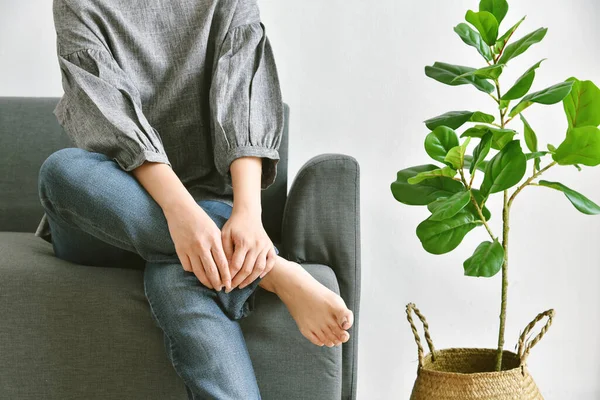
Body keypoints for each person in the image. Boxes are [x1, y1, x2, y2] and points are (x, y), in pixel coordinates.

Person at [34, 0, 354, 398]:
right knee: (61, 170)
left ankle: (217, 249)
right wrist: (181, 214)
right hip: (109, 210)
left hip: (210, 210)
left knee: (177, 277)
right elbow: (106, 113)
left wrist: (249, 214)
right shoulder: (78, 4)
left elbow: (245, 101)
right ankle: (271, 271)